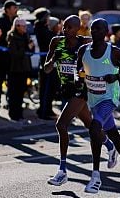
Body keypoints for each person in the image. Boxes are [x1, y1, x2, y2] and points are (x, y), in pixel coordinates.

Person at [44, 15, 116, 186]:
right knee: (90, 125)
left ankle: (62, 170)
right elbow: (46, 68)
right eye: (64, 26)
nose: (65, 30)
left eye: (70, 27)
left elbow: (104, 52)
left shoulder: (85, 43)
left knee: (61, 125)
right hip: (67, 90)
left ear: (77, 29)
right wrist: (52, 61)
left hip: (83, 90)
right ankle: (110, 145)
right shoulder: (56, 42)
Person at [76, 18, 120, 193]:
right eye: (92, 29)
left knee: (94, 128)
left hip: (109, 98)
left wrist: (117, 76)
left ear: (106, 32)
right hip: (93, 99)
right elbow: (78, 70)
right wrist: (79, 78)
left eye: (98, 29)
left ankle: (95, 176)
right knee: (112, 133)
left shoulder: (114, 52)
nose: (94, 32)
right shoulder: (83, 50)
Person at [0, 0, 20, 116]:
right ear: (7, 10)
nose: (16, 10)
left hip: (13, 59)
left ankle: (11, 107)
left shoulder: (17, 22)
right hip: (1, 58)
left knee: (13, 84)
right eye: (14, 8)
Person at [7, 18, 35, 121]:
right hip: (15, 68)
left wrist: (31, 47)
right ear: (17, 26)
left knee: (21, 92)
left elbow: (31, 51)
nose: (25, 28)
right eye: (23, 26)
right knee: (14, 93)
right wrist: (26, 47)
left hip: (24, 68)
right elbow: (15, 53)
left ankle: (20, 113)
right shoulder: (12, 36)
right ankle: (13, 114)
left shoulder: (26, 36)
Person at [34, 7, 59, 120]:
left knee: (50, 88)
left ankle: (47, 110)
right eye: (48, 17)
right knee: (46, 88)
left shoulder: (44, 29)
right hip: (47, 63)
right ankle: (44, 112)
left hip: (48, 62)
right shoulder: (42, 30)